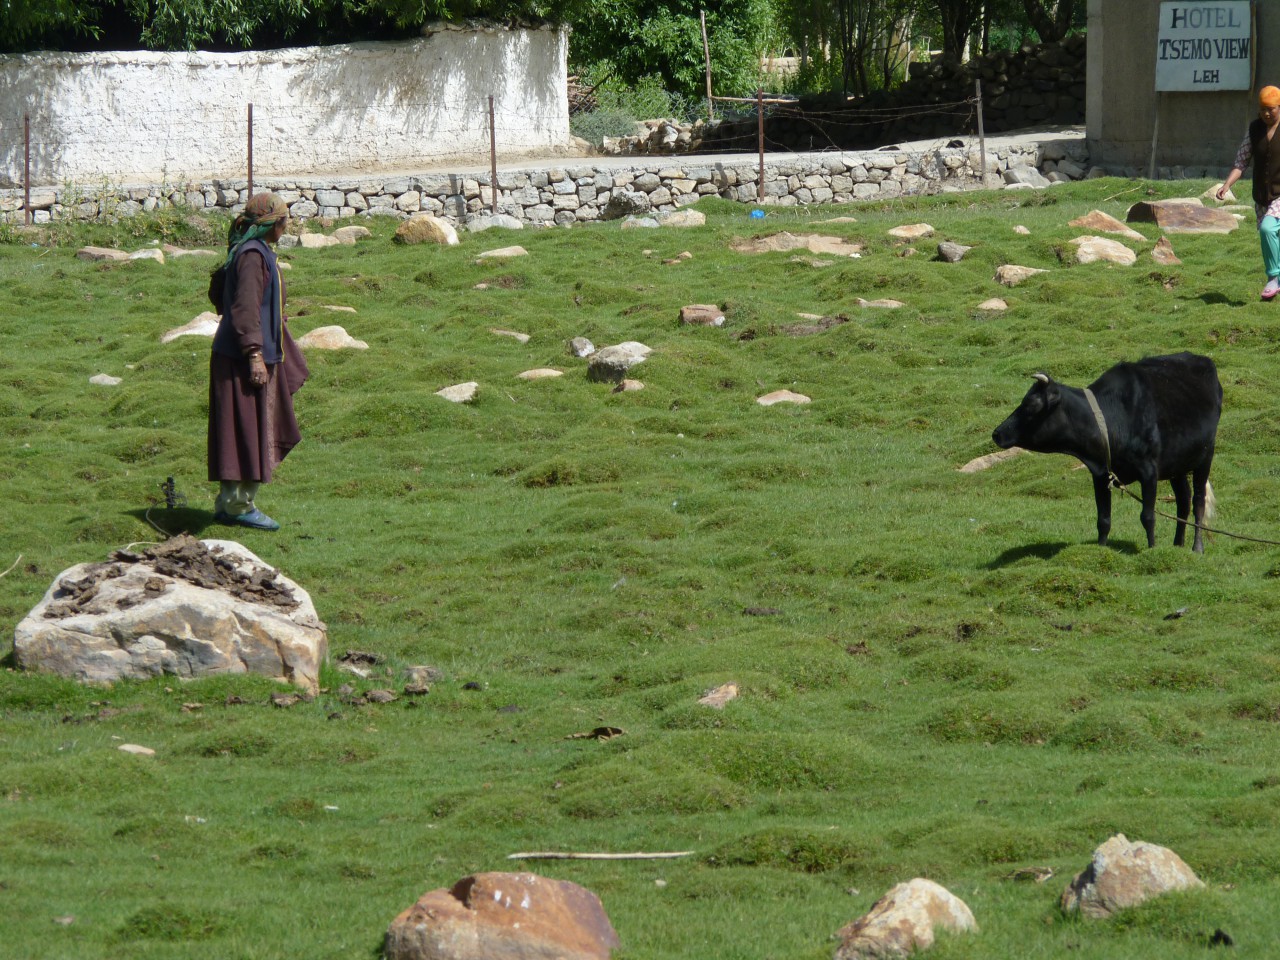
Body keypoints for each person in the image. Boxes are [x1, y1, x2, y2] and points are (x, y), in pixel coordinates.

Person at [207, 192, 308, 531]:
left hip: (247, 353)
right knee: (246, 432)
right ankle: (238, 505)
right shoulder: (252, 257)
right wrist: (253, 354)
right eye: (284, 220)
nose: (286, 225)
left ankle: (229, 502)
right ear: (272, 224)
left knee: (242, 430)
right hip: (242, 358)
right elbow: (244, 308)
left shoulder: (256, 252)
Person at [1218, 85, 1280, 300]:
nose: (1266, 113)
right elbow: (1241, 161)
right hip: (1262, 196)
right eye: (1262, 109)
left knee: (1267, 229)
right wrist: (1227, 185)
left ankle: (1273, 277)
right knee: (1270, 237)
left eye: (1271, 109)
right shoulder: (1254, 130)